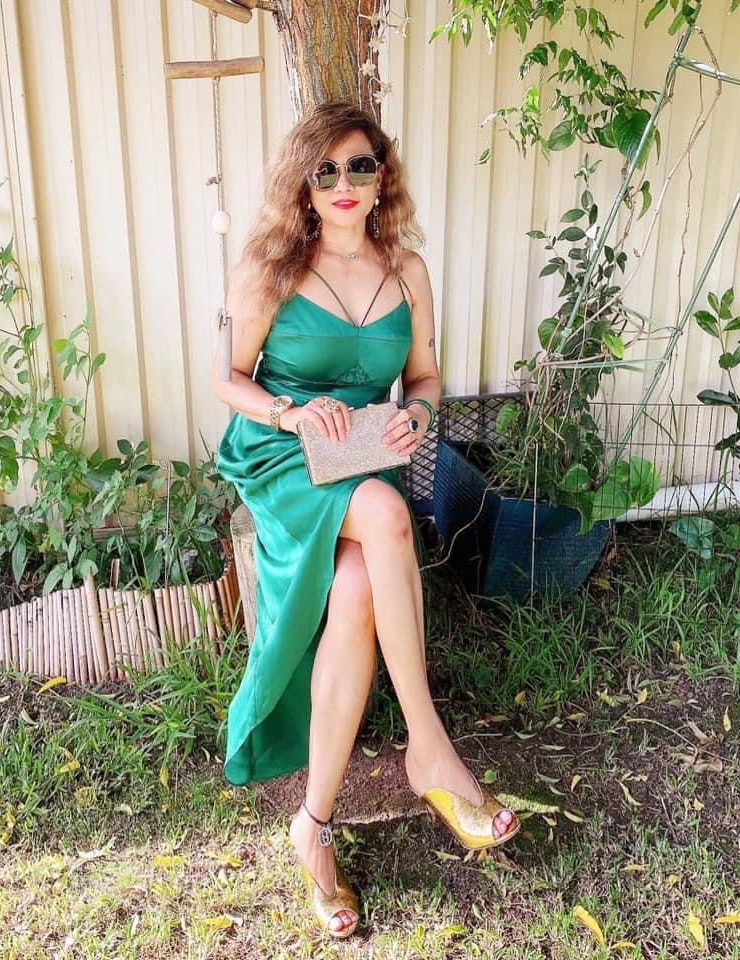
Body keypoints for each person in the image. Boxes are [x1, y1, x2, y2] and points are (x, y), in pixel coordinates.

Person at [211, 101, 518, 940]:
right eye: (326, 170)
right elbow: (228, 379)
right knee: (385, 511)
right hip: (285, 456)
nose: (344, 183)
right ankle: (430, 747)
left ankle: (312, 826)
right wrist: (290, 412)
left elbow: (423, 379)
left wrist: (417, 416)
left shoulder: (407, 270)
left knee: (355, 593)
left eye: (360, 166)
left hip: (363, 453)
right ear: (304, 185)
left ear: (383, 177)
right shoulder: (272, 268)